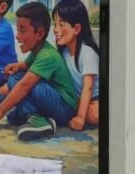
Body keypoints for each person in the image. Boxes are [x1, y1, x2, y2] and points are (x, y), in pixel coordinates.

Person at [0, 2, 78, 141]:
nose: (17, 36)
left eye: (23, 31)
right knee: (15, 78)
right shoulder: (38, 49)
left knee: (27, 84)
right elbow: (27, 65)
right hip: (51, 99)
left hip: (64, 108)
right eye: (17, 30)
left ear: (39, 33)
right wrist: (17, 66)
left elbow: (25, 85)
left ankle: (40, 121)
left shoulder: (47, 55)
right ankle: (30, 114)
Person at [52, 0, 99, 130]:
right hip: (75, 99)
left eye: (61, 24)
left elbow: (88, 88)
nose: (56, 30)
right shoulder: (65, 52)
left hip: (94, 100)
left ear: (76, 28)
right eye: (55, 24)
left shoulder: (87, 53)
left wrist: (80, 117)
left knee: (95, 114)